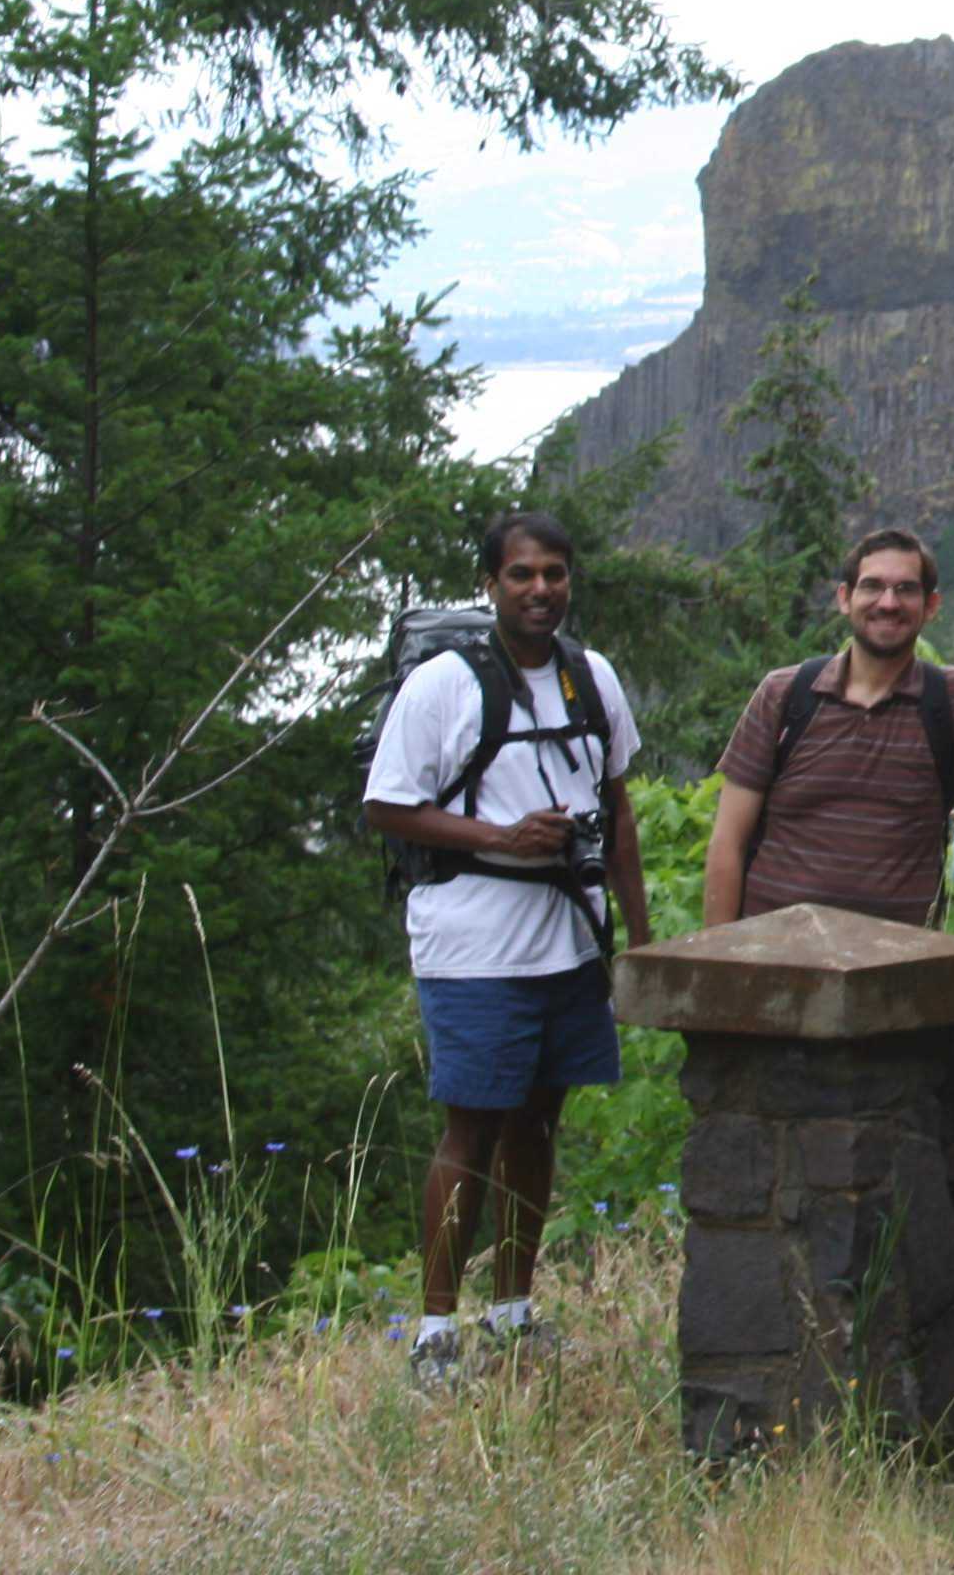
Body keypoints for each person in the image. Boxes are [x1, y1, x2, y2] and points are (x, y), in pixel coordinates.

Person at [361, 510, 653, 1389]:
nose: (540, 590)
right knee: (472, 1128)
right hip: (474, 943)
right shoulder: (445, 686)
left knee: (538, 1123)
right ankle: (435, 1332)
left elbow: (619, 807)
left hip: (569, 938)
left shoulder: (590, 677)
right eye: (522, 574)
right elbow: (387, 805)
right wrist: (501, 838)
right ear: (490, 583)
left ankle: (514, 1314)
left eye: (554, 574)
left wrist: (641, 942)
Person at [704, 528, 954, 927]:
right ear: (845, 599)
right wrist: (716, 957)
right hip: (773, 958)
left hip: (897, 968)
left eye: (905, 589)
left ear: (931, 605)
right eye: (872, 587)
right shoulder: (785, 695)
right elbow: (728, 842)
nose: (888, 603)